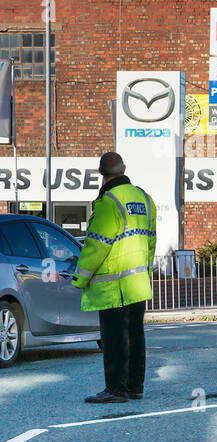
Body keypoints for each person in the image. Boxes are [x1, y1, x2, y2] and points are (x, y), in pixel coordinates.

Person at [71, 152, 157, 403]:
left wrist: (80, 278)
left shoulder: (109, 202)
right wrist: (145, 272)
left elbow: (97, 245)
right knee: (136, 336)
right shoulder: (145, 198)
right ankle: (134, 387)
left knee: (114, 339)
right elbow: (150, 242)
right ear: (124, 169)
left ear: (101, 174)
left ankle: (116, 389)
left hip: (113, 286)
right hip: (137, 283)